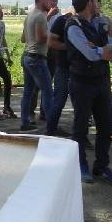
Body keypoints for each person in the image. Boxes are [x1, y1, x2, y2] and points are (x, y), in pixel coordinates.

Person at [66, 0, 112, 185]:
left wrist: (99, 50)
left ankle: (101, 166)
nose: (98, 4)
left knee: (106, 126)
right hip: (81, 82)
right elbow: (88, 54)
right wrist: (101, 51)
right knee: (81, 127)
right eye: (95, 1)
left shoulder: (100, 24)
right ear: (90, 3)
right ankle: (80, 164)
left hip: (102, 81)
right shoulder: (73, 26)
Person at [19, 0, 55, 133]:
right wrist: (53, 36)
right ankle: (52, 126)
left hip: (27, 56)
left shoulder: (30, 15)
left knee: (28, 92)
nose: (51, 2)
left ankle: (24, 122)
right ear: (41, 0)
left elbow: (23, 38)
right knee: (48, 92)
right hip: (37, 58)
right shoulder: (40, 16)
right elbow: (40, 38)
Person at [47, 9, 73, 137]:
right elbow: (51, 42)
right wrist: (72, 47)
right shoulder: (62, 20)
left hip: (82, 69)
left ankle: (80, 134)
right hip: (64, 67)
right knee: (59, 99)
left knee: (83, 102)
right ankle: (51, 130)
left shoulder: (94, 21)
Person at [0, 4, 16, 118]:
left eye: (0, 11)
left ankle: (7, 106)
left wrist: (8, 55)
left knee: (7, 78)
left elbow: (3, 39)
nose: (0, 13)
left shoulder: (2, 24)